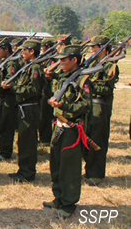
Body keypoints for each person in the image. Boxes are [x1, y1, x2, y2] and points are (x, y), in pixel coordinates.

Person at [43, 44, 92, 219]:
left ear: (74, 60)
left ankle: (69, 203)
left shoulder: (83, 80)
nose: (60, 62)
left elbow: (85, 105)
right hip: (58, 125)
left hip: (72, 128)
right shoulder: (61, 77)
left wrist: (64, 105)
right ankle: (59, 197)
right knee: (55, 163)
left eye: (64, 60)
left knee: (69, 168)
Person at [2, 39, 43, 182]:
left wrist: (12, 88)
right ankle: (23, 170)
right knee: (22, 141)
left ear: (32, 51)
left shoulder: (35, 68)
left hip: (30, 108)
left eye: (24, 50)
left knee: (28, 142)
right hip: (23, 107)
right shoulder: (27, 66)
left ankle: (27, 173)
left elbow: (33, 89)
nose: (22, 53)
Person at [84, 35, 119, 186]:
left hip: (100, 105)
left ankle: (96, 174)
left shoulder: (111, 66)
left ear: (103, 48)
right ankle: (89, 170)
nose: (92, 50)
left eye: (95, 47)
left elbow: (106, 88)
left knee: (98, 139)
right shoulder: (94, 63)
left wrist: (90, 83)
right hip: (89, 104)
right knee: (87, 138)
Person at [0, 38, 19, 161]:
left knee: (7, 125)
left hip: (9, 97)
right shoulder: (2, 61)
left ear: (6, 50)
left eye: (0, 49)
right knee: (1, 124)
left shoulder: (11, 63)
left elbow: (10, 77)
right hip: (1, 96)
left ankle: (5, 152)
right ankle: (1, 149)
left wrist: (4, 82)